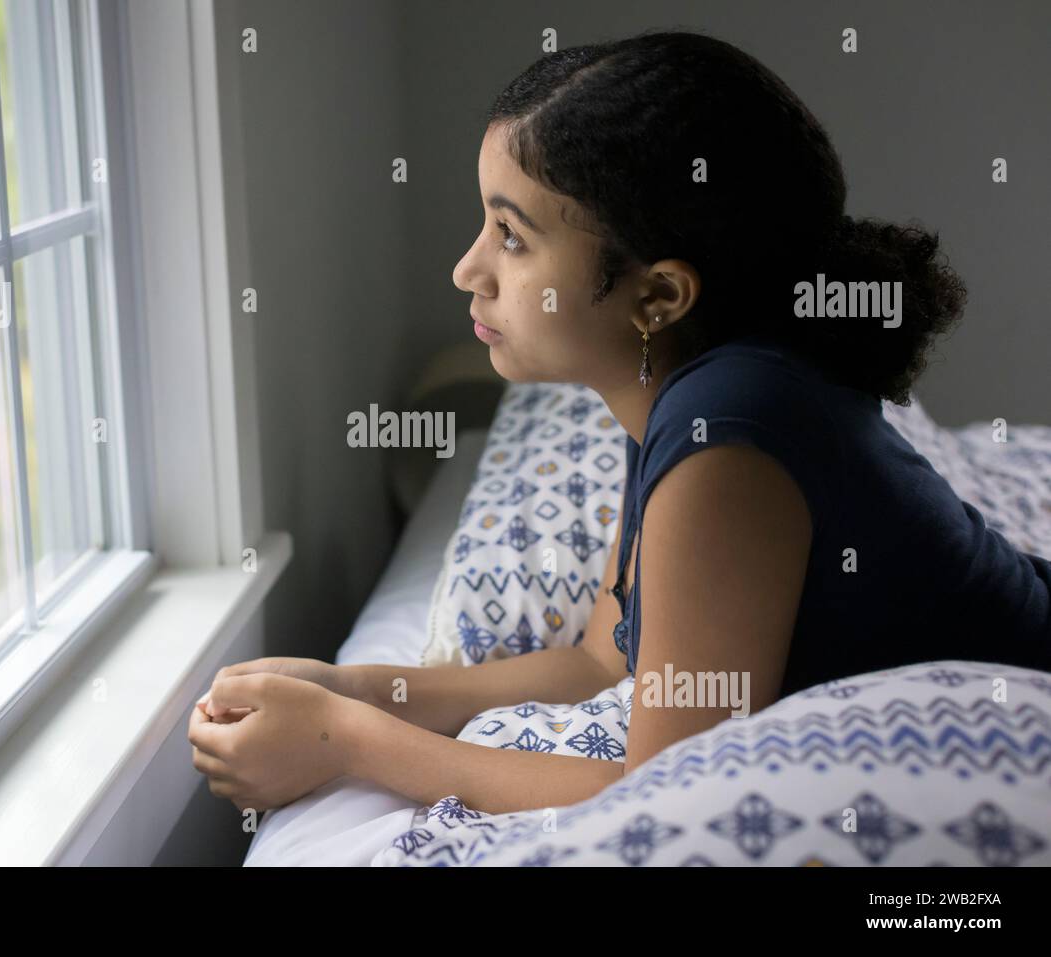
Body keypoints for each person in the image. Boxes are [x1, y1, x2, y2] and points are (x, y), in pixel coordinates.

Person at [188, 30, 1051, 817]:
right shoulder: (678, 399)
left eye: (512, 237)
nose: (467, 270)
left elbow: (662, 788)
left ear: (659, 295)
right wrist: (360, 689)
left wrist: (345, 742)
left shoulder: (731, 436)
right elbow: (605, 664)